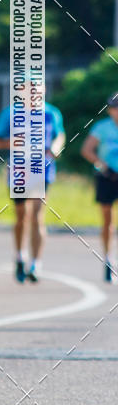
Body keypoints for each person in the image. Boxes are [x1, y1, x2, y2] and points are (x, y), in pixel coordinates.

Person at [0, 96, 65, 283]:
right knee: (22, 216)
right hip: (19, 170)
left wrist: (56, 147)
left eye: (38, 86)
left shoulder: (51, 112)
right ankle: (20, 256)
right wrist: (13, 143)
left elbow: (60, 135)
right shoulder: (11, 113)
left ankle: (36, 264)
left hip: (42, 170)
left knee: (38, 215)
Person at [80, 92, 118, 283]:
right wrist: (102, 165)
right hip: (108, 177)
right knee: (107, 220)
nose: (115, 111)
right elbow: (87, 150)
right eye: (113, 108)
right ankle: (108, 257)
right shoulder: (102, 128)